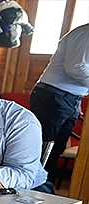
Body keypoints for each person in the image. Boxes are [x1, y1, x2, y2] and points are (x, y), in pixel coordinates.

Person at [29, 23, 89, 184]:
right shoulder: (85, 33)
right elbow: (75, 67)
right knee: (44, 150)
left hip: (70, 99)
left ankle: (46, 190)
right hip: (54, 96)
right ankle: (36, 189)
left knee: (55, 150)